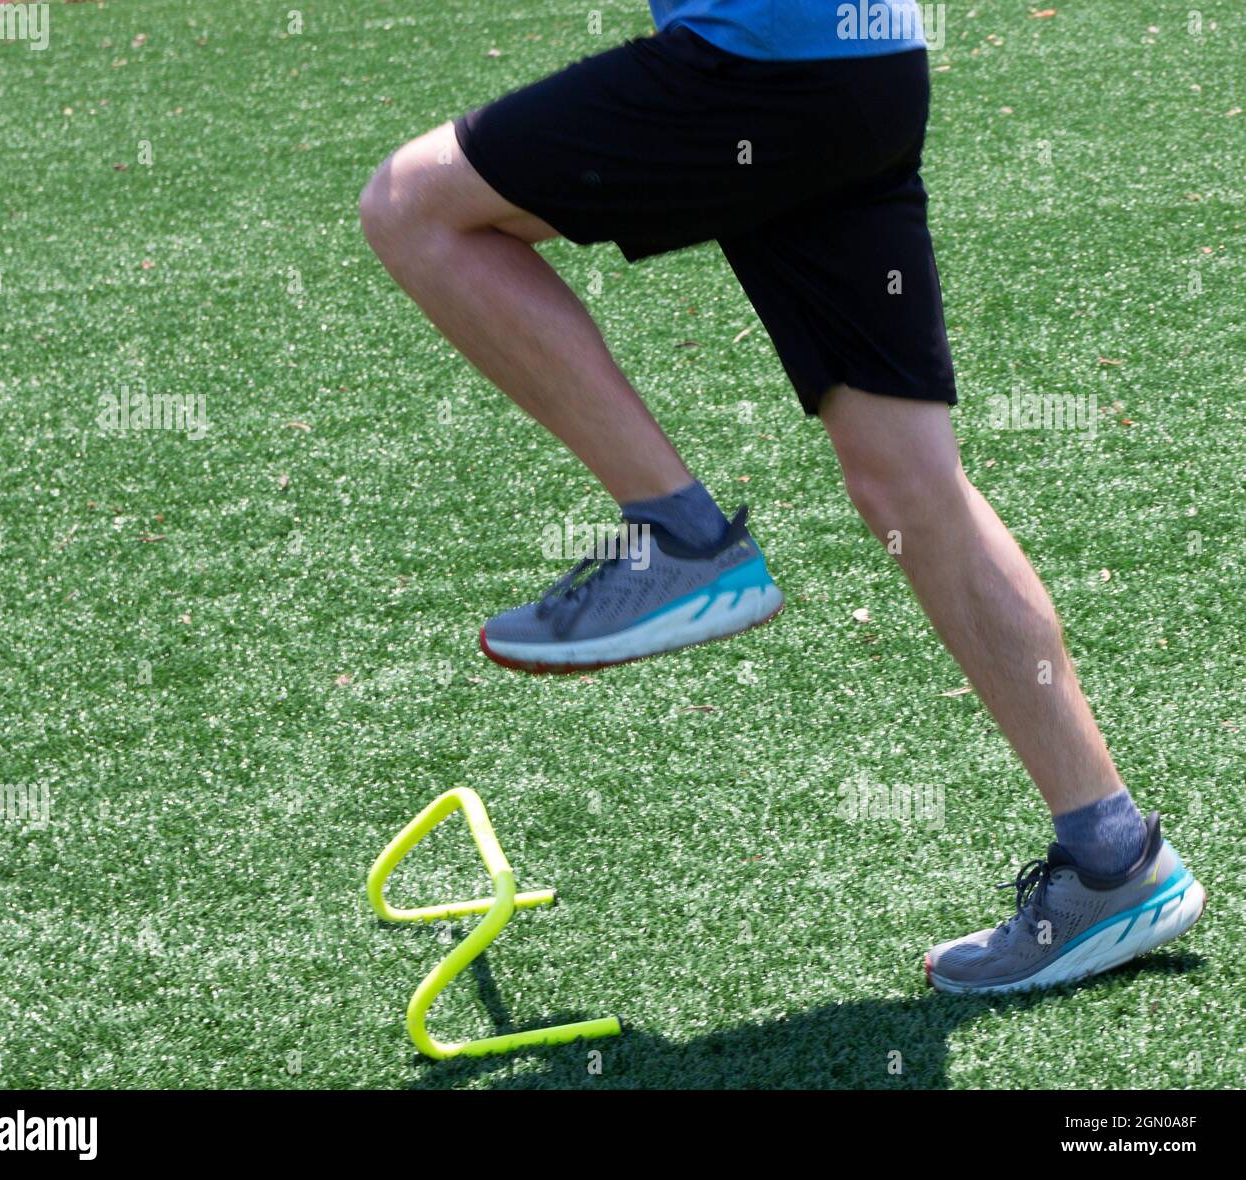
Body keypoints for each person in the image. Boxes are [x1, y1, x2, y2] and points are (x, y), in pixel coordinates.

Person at [358, 1, 1205, 993]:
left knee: (413, 204)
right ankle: (1113, 857)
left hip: (760, 65)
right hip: (861, 69)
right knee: (908, 481)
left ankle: (677, 534)